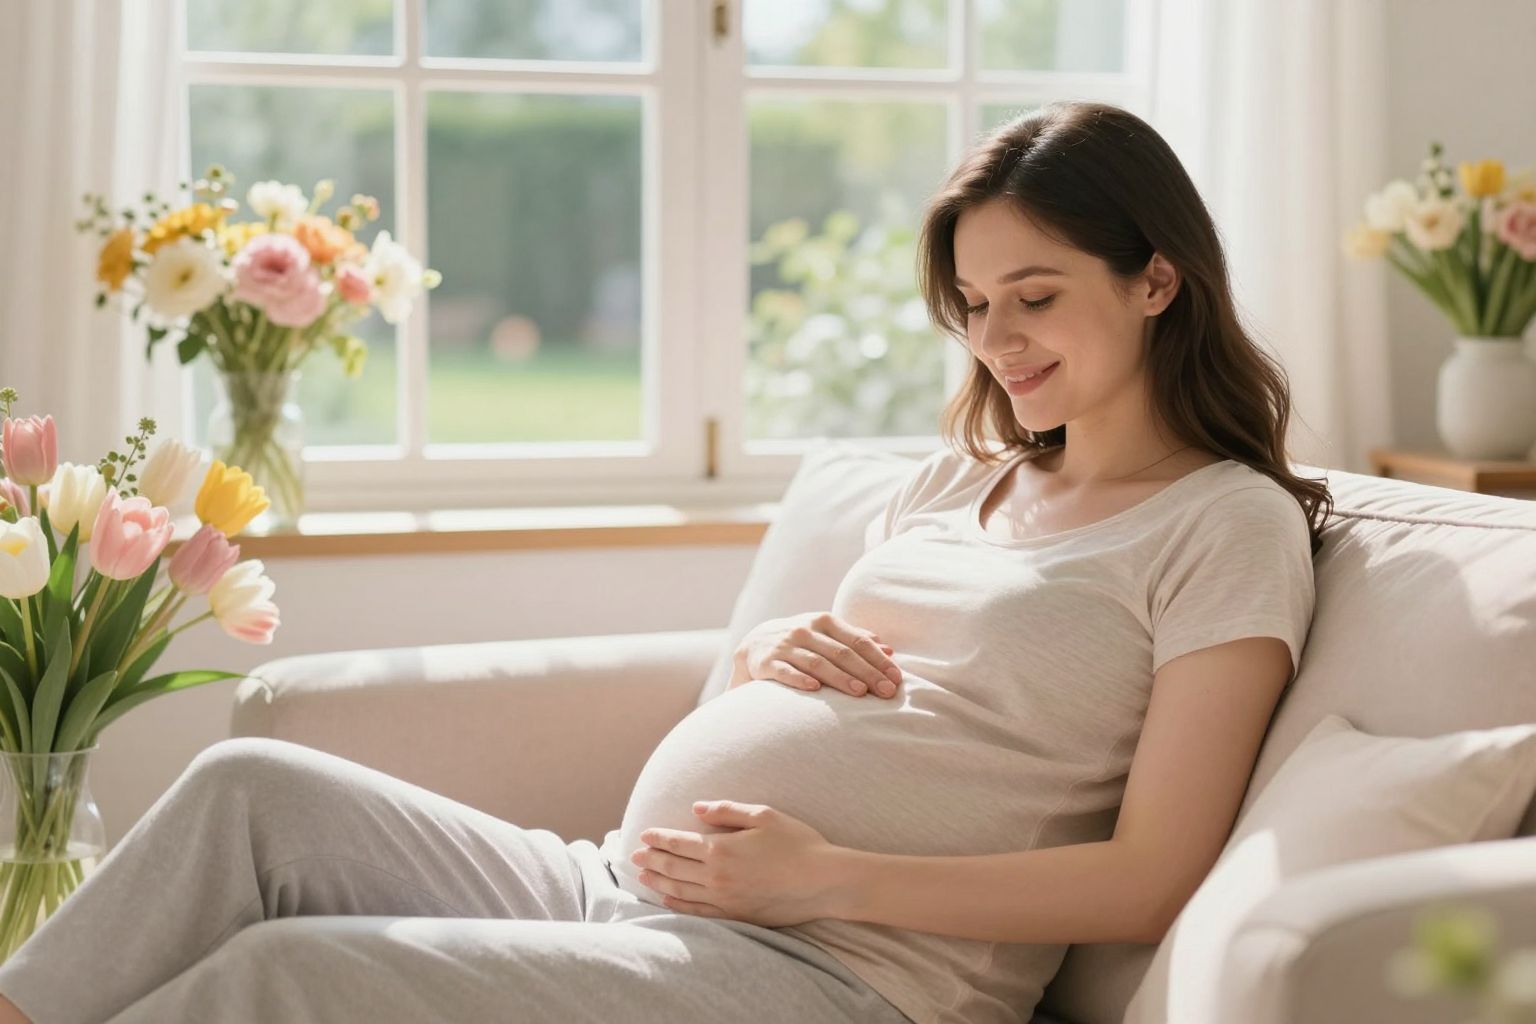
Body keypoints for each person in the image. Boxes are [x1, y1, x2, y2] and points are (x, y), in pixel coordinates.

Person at [0, 98, 1328, 1024]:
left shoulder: (1225, 525)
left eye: (1036, 297)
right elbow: (856, 690)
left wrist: (829, 878)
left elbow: (1156, 871)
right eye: (975, 307)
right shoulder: (959, 477)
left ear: (1158, 280)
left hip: (841, 978)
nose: (998, 341)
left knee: (288, 975)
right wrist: (764, 653)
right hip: (620, 884)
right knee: (250, 792)